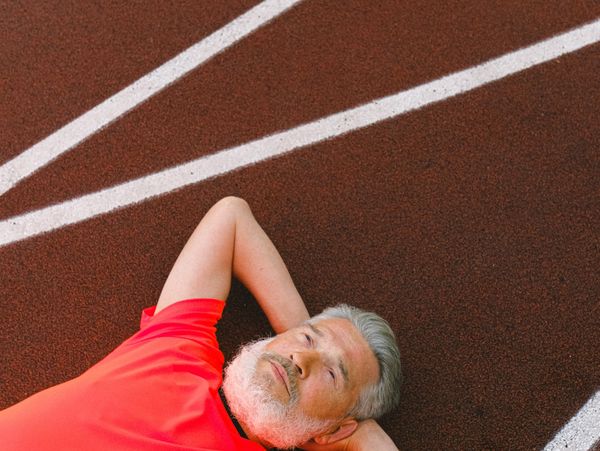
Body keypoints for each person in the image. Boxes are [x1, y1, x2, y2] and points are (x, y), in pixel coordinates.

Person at [0, 196, 402, 450]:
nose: (301, 357)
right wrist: (299, 337)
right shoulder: (178, 347)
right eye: (308, 339)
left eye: (332, 374)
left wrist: (361, 438)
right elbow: (231, 218)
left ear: (331, 432)